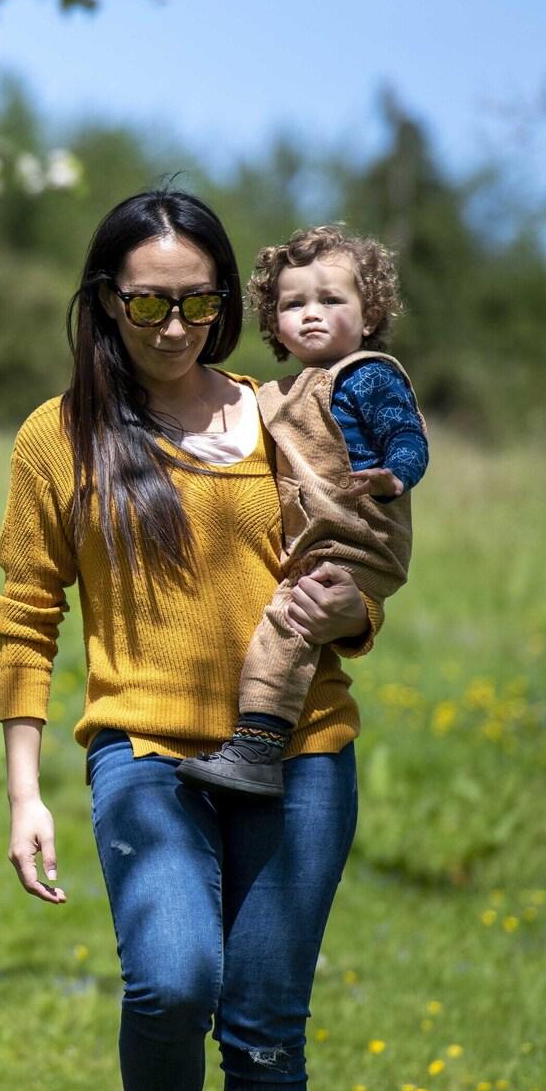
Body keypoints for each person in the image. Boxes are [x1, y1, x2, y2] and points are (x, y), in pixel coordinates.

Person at [0, 187, 380, 1091]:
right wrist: (25, 793)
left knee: (265, 1034)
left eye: (200, 302)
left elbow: (354, 554)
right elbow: (28, 617)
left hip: (299, 754)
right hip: (146, 756)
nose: (175, 327)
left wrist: (357, 612)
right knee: (172, 984)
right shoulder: (57, 437)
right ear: (105, 299)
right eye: (149, 302)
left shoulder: (285, 415)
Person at [177, 224, 429, 799]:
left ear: (369, 315)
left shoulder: (369, 375)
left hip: (359, 537)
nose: (312, 314)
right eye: (294, 304)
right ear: (274, 322)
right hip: (323, 539)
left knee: (288, 625)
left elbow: (407, 435)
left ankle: (259, 746)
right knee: (295, 618)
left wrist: (395, 475)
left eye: (331, 299)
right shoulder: (281, 391)